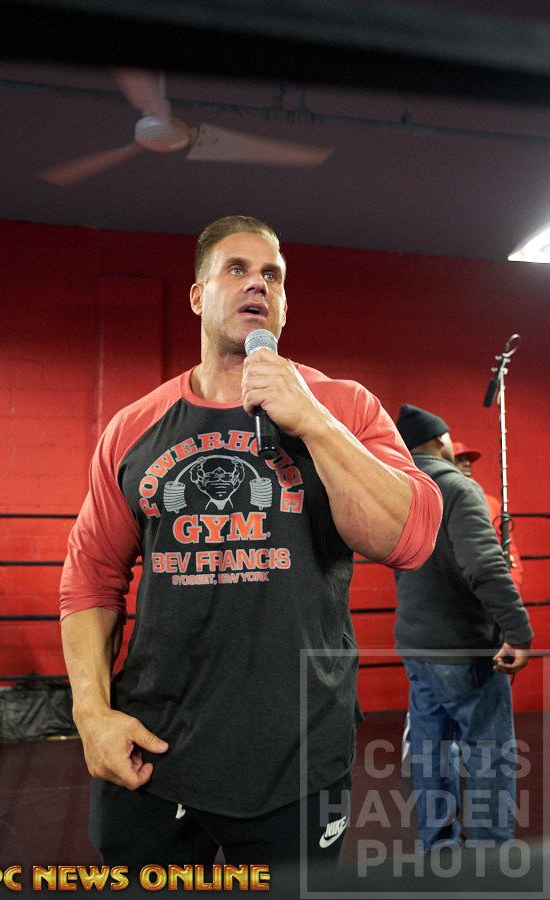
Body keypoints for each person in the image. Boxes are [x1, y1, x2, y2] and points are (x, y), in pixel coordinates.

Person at [59, 217, 442, 887]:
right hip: (153, 750)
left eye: (273, 275)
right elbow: (90, 580)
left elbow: (407, 538)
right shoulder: (134, 428)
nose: (257, 284)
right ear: (198, 296)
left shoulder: (345, 406)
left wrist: (311, 420)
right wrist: (90, 713)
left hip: (295, 757)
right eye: (236, 269)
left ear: (284, 303)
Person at [394, 403, 533, 852]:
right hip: (463, 649)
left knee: (430, 752)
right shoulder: (457, 487)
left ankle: (437, 848)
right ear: (441, 441)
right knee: (490, 756)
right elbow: (486, 566)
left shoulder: (397, 489)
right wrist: (518, 633)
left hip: (417, 647)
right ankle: (489, 857)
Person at [453, 440, 524, 589]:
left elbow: (508, 546)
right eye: (459, 459)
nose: (467, 463)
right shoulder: (443, 503)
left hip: (493, 583)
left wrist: (514, 582)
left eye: (468, 460)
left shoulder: (492, 503)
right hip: (460, 585)